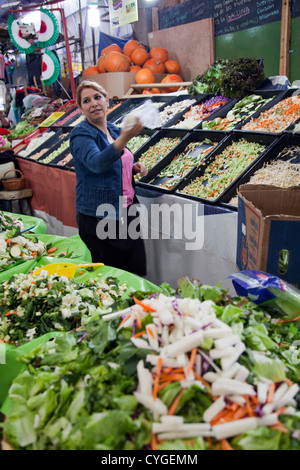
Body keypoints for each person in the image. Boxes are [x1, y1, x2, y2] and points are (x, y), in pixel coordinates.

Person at [70, 80, 148, 276]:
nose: (94, 103)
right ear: (80, 109)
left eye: (97, 97)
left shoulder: (113, 129)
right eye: (86, 101)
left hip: (127, 212)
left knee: (134, 271)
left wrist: (132, 167)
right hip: (100, 217)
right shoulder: (81, 134)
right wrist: (126, 137)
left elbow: (115, 161)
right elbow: (96, 164)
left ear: (107, 100)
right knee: (110, 276)